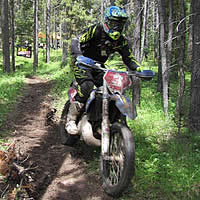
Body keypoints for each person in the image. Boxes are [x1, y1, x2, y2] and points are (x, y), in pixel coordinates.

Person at [67, 6, 142, 135]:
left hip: (99, 66)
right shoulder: (96, 30)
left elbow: (128, 58)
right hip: (82, 63)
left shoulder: (121, 41)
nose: (117, 27)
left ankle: (99, 120)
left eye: (120, 24)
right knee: (86, 86)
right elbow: (77, 40)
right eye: (114, 23)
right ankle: (71, 120)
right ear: (107, 21)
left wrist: (139, 69)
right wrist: (78, 55)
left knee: (111, 90)